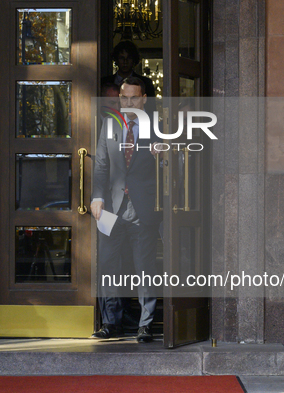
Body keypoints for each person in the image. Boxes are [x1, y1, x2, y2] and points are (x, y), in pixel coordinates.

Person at [90, 77, 162, 343]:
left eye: (133, 98)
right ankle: (111, 322)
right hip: (111, 208)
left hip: (143, 208)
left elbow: (174, 165)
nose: (128, 103)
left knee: (145, 268)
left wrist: (162, 156)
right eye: (124, 97)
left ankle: (146, 324)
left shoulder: (157, 126)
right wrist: (97, 197)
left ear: (144, 99)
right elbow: (100, 165)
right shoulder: (109, 125)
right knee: (109, 266)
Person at [101, 41, 156, 115]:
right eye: (121, 58)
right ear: (116, 59)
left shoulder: (146, 83)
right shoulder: (104, 82)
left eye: (129, 58)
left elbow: (151, 110)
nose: (125, 61)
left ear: (134, 60)